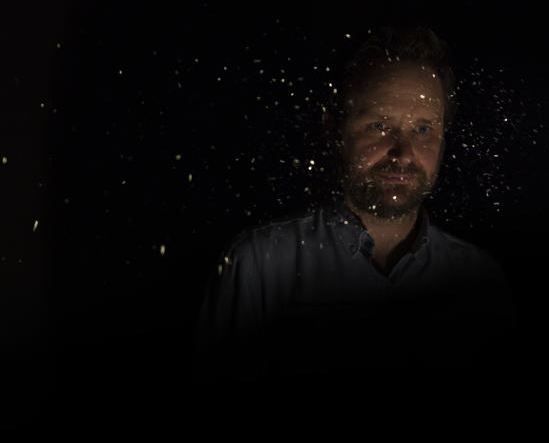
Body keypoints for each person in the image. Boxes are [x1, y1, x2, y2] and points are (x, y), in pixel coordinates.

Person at [195, 26, 516, 381]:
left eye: (423, 129)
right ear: (334, 130)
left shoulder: (479, 281)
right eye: (380, 125)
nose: (403, 153)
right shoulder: (259, 266)